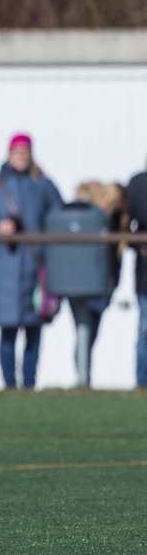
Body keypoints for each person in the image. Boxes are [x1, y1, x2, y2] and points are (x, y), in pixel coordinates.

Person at [0, 134, 64, 390]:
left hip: (36, 269)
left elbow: (60, 217)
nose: (21, 155)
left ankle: (30, 385)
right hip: (5, 271)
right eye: (17, 151)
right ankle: (10, 386)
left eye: (26, 151)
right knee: (8, 332)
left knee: (35, 332)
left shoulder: (44, 186)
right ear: (9, 153)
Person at [60, 181, 127, 387]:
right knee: (84, 328)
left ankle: (83, 378)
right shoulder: (85, 215)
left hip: (99, 283)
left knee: (88, 331)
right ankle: (82, 379)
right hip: (84, 281)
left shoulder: (113, 219)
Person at [127, 164, 147, 388]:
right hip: (145, 273)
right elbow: (127, 225)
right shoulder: (138, 183)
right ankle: (142, 384)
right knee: (145, 331)